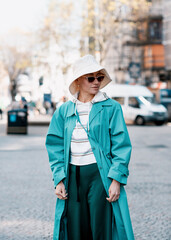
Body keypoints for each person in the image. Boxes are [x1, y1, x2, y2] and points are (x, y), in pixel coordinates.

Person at [45, 55, 134, 240]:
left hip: (100, 176)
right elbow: (55, 147)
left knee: (100, 229)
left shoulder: (111, 108)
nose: (96, 82)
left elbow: (121, 146)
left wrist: (116, 179)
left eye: (99, 78)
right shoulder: (64, 110)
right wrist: (59, 179)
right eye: (91, 78)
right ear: (78, 80)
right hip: (72, 177)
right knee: (76, 230)